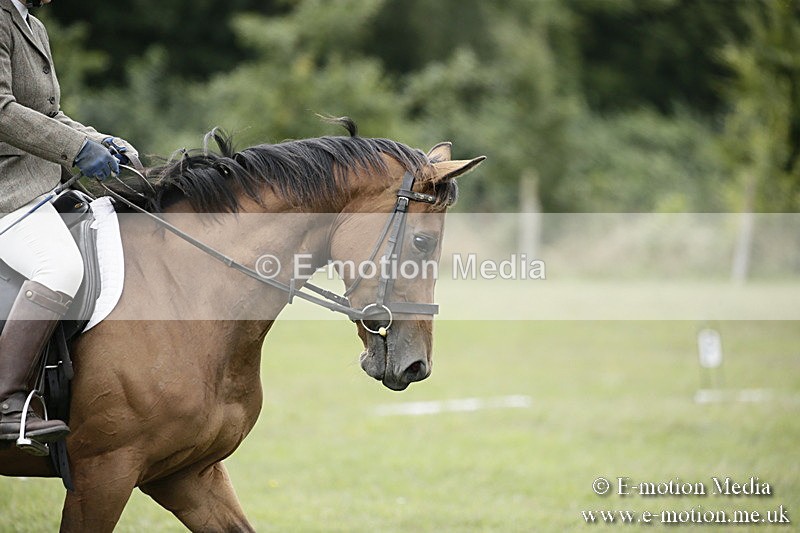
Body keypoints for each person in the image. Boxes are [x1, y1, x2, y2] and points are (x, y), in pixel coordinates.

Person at [0, 0, 136, 443]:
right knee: (59, 266)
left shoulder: (30, 24)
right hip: (7, 190)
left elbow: (49, 114)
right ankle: (5, 403)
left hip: (39, 186)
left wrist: (100, 140)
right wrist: (75, 150)